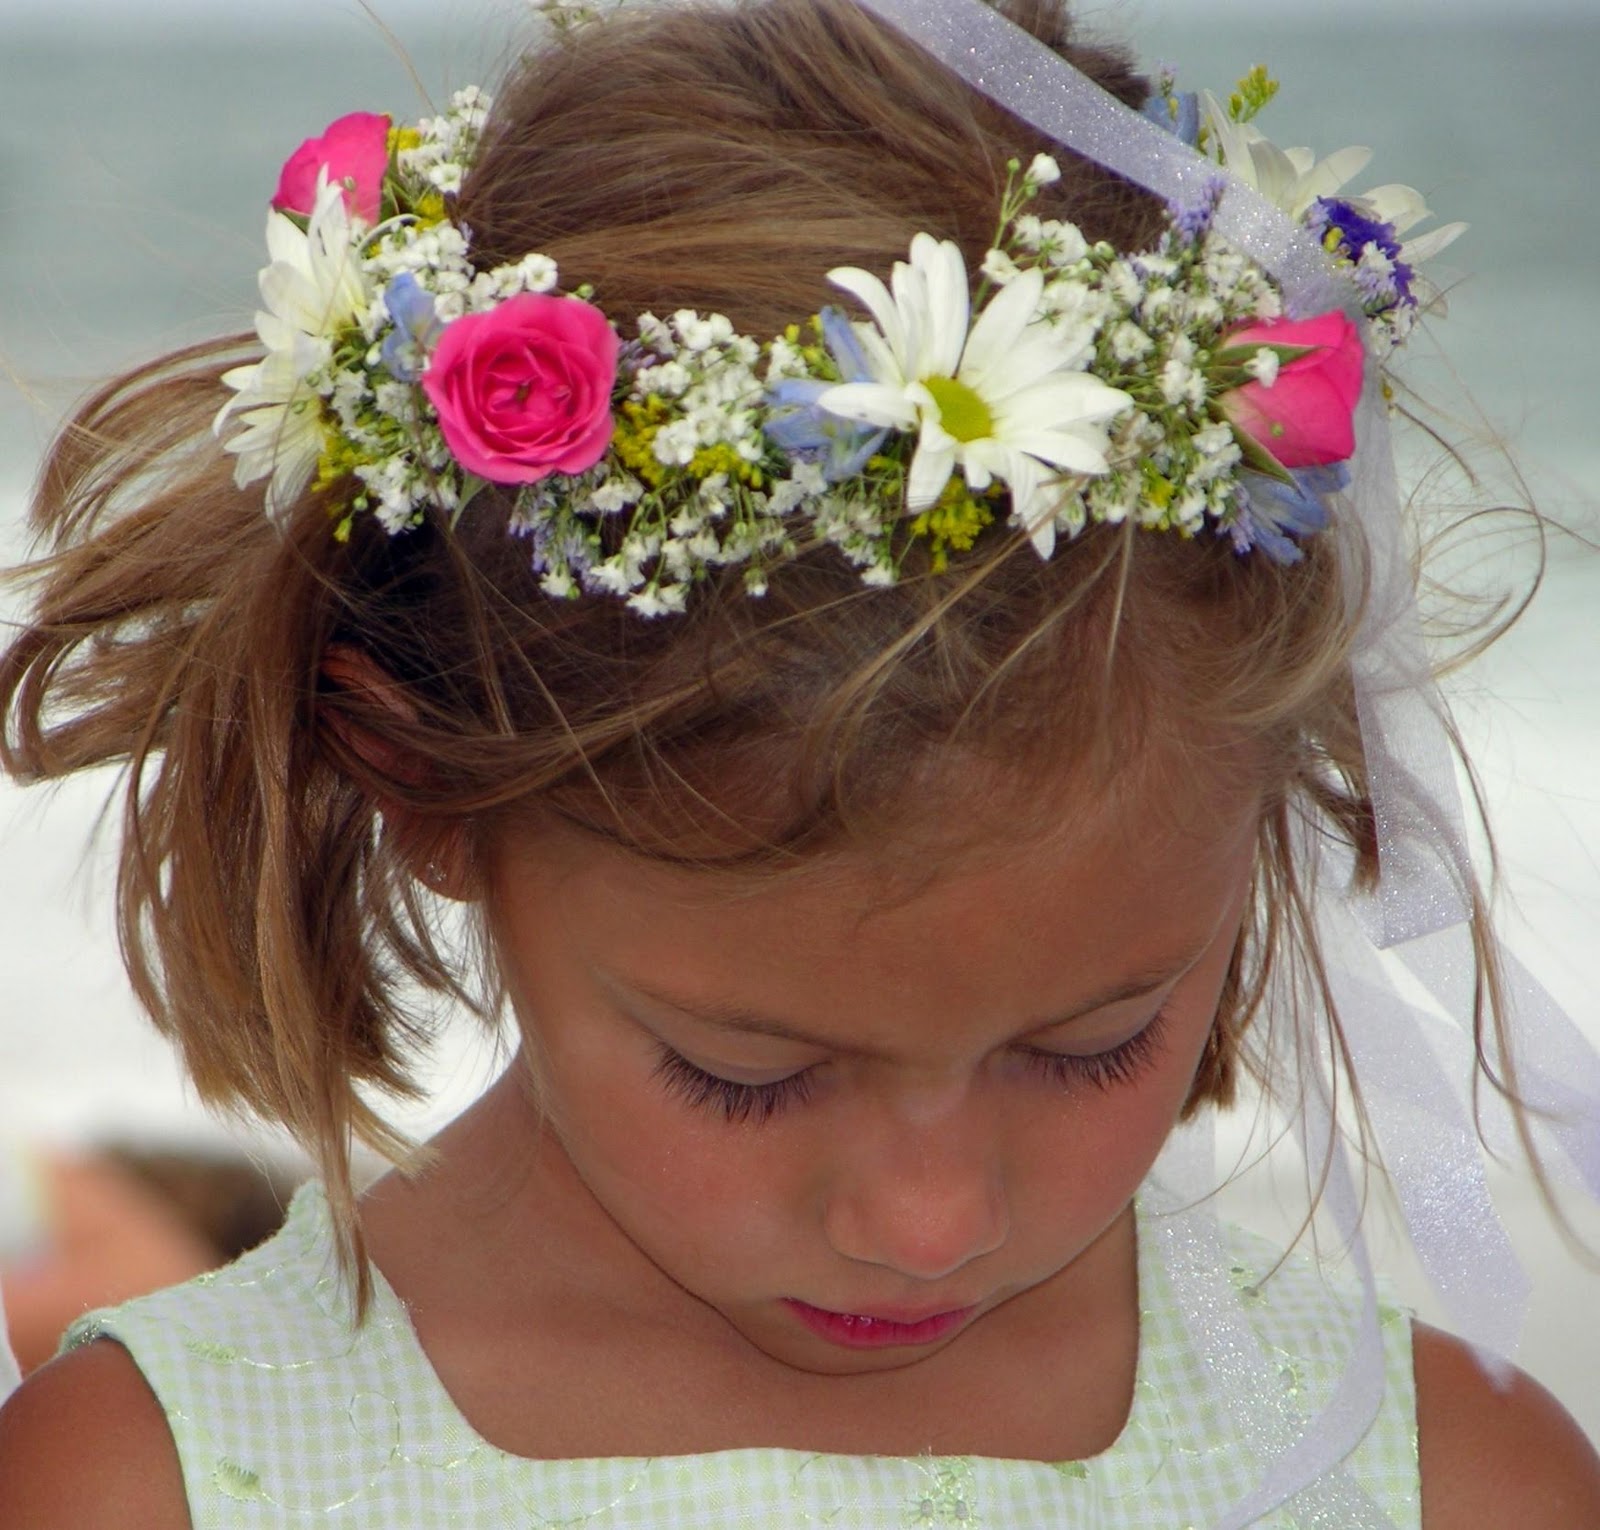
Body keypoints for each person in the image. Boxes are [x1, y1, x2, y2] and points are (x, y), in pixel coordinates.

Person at [0, 0, 1596, 1524]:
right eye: (743, 1076)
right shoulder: (158, 1488)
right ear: (417, 782)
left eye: (1095, 1044)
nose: (926, 1224)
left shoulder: (1452, 1484)